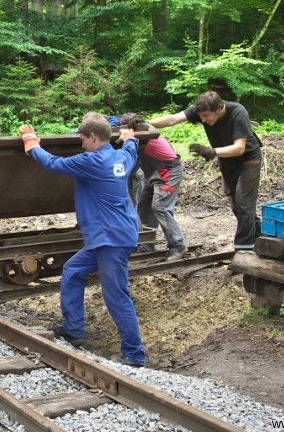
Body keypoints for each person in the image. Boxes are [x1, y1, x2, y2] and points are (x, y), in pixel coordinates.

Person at [20, 113, 146, 367]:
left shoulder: (92, 161)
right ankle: (74, 330)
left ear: (93, 137)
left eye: (83, 139)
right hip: (116, 235)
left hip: (111, 239)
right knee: (73, 270)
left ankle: (134, 355)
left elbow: (54, 164)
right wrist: (129, 136)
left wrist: (31, 143)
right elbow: (131, 147)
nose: (81, 144)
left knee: (117, 296)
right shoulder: (122, 157)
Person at [148, 90, 262, 251]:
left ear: (219, 109)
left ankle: (244, 249)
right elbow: (172, 119)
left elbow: (239, 148)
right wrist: (145, 124)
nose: (203, 119)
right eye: (200, 116)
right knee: (237, 206)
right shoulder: (202, 110)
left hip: (248, 160)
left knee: (244, 204)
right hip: (227, 161)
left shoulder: (237, 112)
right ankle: (262, 235)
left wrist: (212, 152)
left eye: (206, 116)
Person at [120, 113, 186, 262]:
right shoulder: (140, 133)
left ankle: (178, 245)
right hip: (156, 173)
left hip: (167, 172)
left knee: (160, 206)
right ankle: (146, 245)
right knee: (144, 207)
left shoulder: (144, 135)